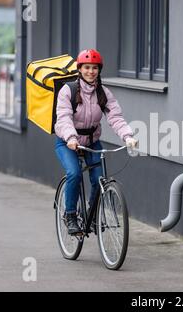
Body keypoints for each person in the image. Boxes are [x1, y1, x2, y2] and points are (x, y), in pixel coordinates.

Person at [54, 49, 138, 235]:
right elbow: (64, 117)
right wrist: (70, 138)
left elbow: (115, 117)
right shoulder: (68, 91)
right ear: (80, 69)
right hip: (67, 142)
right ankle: (70, 215)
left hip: (92, 143)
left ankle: (92, 212)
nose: (90, 71)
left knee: (99, 179)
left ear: (99, 70)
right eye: (86, 67)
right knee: (74, 173)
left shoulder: (103, 93)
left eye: (94, 68)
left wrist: (128, 136)